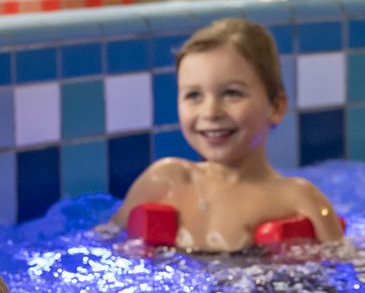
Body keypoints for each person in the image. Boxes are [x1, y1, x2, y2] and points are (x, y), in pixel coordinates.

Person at [110, 17, 341, 251]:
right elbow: (102, 243)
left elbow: (346, 275)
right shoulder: (164, 181)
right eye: (193, 95)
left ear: (276, 106)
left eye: (232, 93)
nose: (210, 112)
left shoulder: (296, 199)